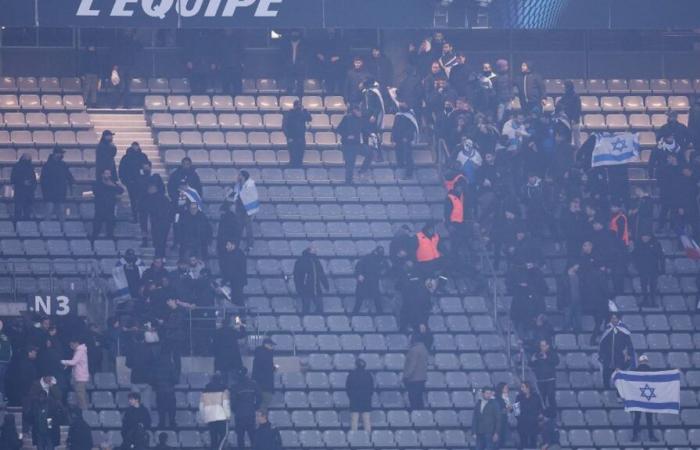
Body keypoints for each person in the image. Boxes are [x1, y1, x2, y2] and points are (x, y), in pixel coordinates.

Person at [24, 374, 64, 450]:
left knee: (49, 444)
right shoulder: (35, 405)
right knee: (40, 445)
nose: (41, 398)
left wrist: (50, 427)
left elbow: (59, 397)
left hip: (49, 430)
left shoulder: (52, 404)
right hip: (39, 429)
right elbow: (31, 415)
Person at [598, 313, 635, 389]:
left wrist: (629, 355)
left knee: (620, 378)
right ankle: (607, 390)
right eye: (612, 318)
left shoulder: (623, 330)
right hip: (608, 358)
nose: (614, 320)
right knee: (606, 375)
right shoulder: (607, 329)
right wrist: (601, 355)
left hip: (619, 357)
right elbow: (602, 344)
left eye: (615, 318)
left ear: (618, 319)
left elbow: (629, 344)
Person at [337, 104, 371, 184]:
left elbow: (364, 130)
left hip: (358, 144)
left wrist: (371, 134)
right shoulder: (347, 118)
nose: (361, 113)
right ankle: (349, 181)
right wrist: (347, 136)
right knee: (350, 164)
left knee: (370, 153)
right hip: (348, 145)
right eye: (359, 111)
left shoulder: (361, 119)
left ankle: (362, 170)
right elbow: (339, 129)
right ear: (354, 111)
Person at [40, 146, 74, 227]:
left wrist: (72, 182)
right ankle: (47, 229)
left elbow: (69, 175)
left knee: (62, 212)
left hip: (61, 192)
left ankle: (63, 230)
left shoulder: (63, 165)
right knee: (49, 211)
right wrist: (45, 192)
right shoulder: (47, 165)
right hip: (50, 193)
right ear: (56, 154)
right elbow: (43, 180)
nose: (61, 155)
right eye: (60, 153)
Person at [118, 142, 151, 222]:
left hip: (142, 182)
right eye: (134, 146)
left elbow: (148, 167)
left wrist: (146, 176)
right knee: (133, 200)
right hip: (131, 182)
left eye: (137, 146)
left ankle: (142, 217)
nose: (136, 147)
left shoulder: (143, 156)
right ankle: (135, 217)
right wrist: (124, 180)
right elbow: (122, 169)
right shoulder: (126, 157)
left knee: (142, 200)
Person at [231, 368, 262, 450]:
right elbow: (259, 397)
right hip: (250, 414)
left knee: (240, 438)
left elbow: (232, 403)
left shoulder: (235, 386)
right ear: (246, 373)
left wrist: (235, 410)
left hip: (239, 416)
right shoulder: (253, 384)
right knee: (253, 437)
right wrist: (255, 406)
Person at [228, 170, 259, 251]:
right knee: (238, 227)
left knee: (248, 228)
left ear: (243, 176)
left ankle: (250, 244)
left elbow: (253, 198)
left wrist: (253, 212)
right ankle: (236, 244)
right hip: (239, 208)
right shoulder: (237, 185)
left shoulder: (250, 186)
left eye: (240, 175)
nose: (238, 176)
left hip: (247, 209)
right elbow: (232, 193)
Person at [199, 373, 231, 450]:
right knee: (223, 435)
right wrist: (228, 415)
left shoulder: (206, 389)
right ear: (220, 379)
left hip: (210, 416)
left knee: (213, 437)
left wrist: (203, 417)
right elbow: (225, 403)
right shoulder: (224, 388)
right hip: (221, 416)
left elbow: (201, 405)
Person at [630, 354, 658, 442]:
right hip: (648, 396)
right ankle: (651, 436)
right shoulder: (652, 371)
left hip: (638, 396)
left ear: (639, 362)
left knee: (637, 417)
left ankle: (635, 436)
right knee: (649, 418)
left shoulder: (634, 371)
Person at [293, 246, 329, 314]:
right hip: (305, 288)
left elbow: (321, 273)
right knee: (306, 307)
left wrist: (326, 284)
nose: (315, 250)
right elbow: (297, 275)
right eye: (313, 249)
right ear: (309, 250)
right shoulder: (301, 261)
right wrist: (298, 287)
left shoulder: (316, 261)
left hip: (316, 288)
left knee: (319, 308)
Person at [632, 232, 664, 307]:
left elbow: (661, 257)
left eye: (646, 236)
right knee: (643, 286)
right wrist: (636, 266)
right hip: (643, 269)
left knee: (653, 286)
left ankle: (653, 302)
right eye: (643, 236)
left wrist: (662, 269)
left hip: (653, 269)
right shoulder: (639, 245)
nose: (644, 238)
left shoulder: (656, 244)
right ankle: (645, 301)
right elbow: (634, 255)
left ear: (650, 237)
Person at [91, 168, 124, 241]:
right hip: (100, 207)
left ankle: (110, 236)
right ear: (102, 175)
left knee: (111, 224)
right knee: (97, 225)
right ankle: (94, 238)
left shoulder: (113, 183)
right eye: (106, 173)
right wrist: (105, 185)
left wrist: (113, 185)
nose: (108, 175)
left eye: (109, 174)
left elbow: (121, 190)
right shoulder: (98, 183)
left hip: (110, 207)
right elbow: (95, 191)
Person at [353, 246, 389, 314]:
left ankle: (380, 315)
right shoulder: (367, 258)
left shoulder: (382, 259)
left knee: (377, 300)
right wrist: (359, 275)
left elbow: (387, 268)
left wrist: (384, 271)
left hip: (374, 282)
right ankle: (354, 315)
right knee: (359, 301)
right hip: (364, 282)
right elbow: (359, 266)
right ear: (375, 252)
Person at [212, 315, 247, 384]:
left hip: (221, 360)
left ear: (222, 324)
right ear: (229, 324)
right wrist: (241, 325)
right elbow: (242, 334)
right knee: (233, 381)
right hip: (233, 360)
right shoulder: (232, 331)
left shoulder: (217, 332)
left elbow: (214, 346)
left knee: (222, 381)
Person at [143, 180, 173, 257]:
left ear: (154, 188)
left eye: (150, 188)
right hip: (162, 224)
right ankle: (160, 257)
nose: (148, 190)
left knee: (159, 242)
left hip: (158, 224)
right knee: (160, 242)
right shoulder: (163, 198)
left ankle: (159, 257)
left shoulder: (151, 199)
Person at [529, 339, 559, 410]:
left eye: (543, 346)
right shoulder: (537, 354)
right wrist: (531, 360)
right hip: (540, 380)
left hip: (550, 380)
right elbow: (530, 364)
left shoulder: (552, 353)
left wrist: (547, 358)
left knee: (551, 397)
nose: (542, 347)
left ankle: (553, 415)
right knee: (541, 399)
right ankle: (543, 415)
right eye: (541, 346)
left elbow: (557, 362)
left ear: (547, 346)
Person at [60, 337, 89, 411]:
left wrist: (62, 361)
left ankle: (84, 413)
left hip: (81, 377)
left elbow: (74, 362)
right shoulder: (79, 350)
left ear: (76, 343)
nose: (70, 347)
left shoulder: (80, 351)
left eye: (71, 345)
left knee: (80, 397)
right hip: (79, 376)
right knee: (80, 396)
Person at [346, 358, 374, 432]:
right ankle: (368, 437)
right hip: (366, 400)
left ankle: (354, 438)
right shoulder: (368, 375)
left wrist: (351, 397)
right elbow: (372, 389)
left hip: (354, 400)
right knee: (366, 420)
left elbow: (347, 388)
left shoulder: (351, 374)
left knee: (354, 420)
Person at [392, 104, 420, 178]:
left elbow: (412, 128)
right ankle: (400, 168)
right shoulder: (398, 115)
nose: (401, 104)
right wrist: (393, 138)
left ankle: (409, 173)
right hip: (398, 139)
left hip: (406, 139)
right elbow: (394, 127)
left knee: (408, 156)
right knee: (398, 154)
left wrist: (407, 137)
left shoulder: (410, 116)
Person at [282, 99, 311, 167]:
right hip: (292, 138)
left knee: (300, 157)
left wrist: (305, 110)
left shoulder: (302, 114)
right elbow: (284, 126)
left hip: (301, 138)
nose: (299, 107)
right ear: (294, 106)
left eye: (300, 106)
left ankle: (299, 171)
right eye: (298, 105)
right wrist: (288, 137)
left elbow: (309, 118)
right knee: (293, 157)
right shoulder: (288, 114)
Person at [151, 353, 177, 428]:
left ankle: (161, 423)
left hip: (159, 391)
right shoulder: (171, 366)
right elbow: (175, 379)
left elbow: (153, 380)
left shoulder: (156, 367)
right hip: (170, 390)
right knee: (171, 409)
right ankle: (172, 423)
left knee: (161, 409)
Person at [403, 334, 429, 410]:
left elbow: (412, 365)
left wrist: (406, 376)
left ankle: (416, 416)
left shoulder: (414, 350)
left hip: (413, 379)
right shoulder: (424, 349)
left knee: (413, 399)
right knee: (419, 399)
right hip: (422, 378)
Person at [515, 382, 542, 449]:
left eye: (523, 387)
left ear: (528, 388)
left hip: (533, 424)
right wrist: (520, 419)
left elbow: (540, 409)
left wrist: (538, 417)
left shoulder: (536, 397)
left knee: (533, 443)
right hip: (522, 424)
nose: (521, 389)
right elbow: (516, 411)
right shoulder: (518, 397)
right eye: (521, 387)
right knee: (523, 444)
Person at [220, 240, 248, 306]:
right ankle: (239, 314)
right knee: (237, 298)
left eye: (228, 245)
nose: (226, 247)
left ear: (233, 245)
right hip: (238, 280)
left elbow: (231, 270)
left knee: (238, 298)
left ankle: (241, 314)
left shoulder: (235, 255)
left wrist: (224, 281)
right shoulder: (239, 253)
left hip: (237, 281)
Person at [252, 338, 276, 412]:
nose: (273, 347)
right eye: (271, 345)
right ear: (266, 344)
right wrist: (274, 368)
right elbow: (267, 369)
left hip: (258, 385)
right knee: (263, 406)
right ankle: (261, 421)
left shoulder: (258, 354)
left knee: (260, 405)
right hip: (266, 386)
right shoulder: (267, 355)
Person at [11, 153, 37, 220]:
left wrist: (32, 186)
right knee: (18, 210)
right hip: (20, 192)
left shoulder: (31, 167)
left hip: (29, 192)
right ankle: (17, 225)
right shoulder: (17, 166)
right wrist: (23, 182)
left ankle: (26, 224)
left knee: (27, 211)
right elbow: (13, 179)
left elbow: (34, 179)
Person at [281, 30, 307, 96]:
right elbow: (283, 55)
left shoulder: (304, 44)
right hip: (289, 68)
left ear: (299, 33)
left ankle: (300, 101)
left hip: (300, 68)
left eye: (296, 32)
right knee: (289, 86)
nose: (294, 34)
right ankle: (289, 99)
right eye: (293, 32)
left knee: (300, 86)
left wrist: (302, 64)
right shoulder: (286, 44)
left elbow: (307, 56)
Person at [493, 383, 513, 448]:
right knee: (497, 442)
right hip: (498, 423)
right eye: (505, 388)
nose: (507, 389)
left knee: (503, 442)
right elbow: (498, 411)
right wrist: (507, 409)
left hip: (504, 422)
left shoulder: (507, 398)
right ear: (501, 389)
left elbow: (509, 411)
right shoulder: (497, 399)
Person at [0, 319, 12, 403]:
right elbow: (10, 350)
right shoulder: (5, 336)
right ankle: (3, 397)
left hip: (1, 361)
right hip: (5, 362)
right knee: (2, 381)